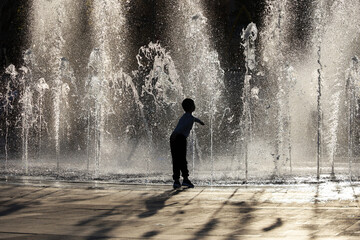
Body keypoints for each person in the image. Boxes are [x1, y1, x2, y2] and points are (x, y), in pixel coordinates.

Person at [170, 98, 205, 189]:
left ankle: (176, 181)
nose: (195, 106)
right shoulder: (189, 117)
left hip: (174, 137)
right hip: (179, 138)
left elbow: (194, 119)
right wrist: (200, 122)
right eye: (193, 104)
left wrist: (200, 121)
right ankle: (185, 179)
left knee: (176, 159)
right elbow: (193, 120)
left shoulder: (185, 116)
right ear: (191, 107)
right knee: (181, 159)